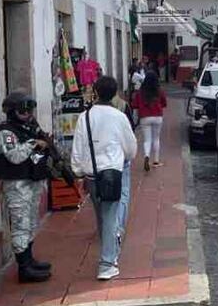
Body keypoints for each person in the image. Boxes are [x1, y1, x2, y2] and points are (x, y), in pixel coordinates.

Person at [71, 76, 137, 281]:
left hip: (92, 174)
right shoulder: (119, 117)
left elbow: (78, 146)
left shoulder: (85, 117)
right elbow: (131, 147)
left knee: (101, 216)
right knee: (110, 216)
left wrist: (78, 172)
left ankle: (110, 249)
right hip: (112, 172)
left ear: (96, 92)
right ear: (115, 92)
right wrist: (124, 158)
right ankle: (107, 263)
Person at [0, 92, 52, 283]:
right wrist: (34, 143)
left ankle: (30, 260)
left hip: (31, 181)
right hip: (17, 184)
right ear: (12, 112)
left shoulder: (28, 127)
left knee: (31, 222)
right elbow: (14, 157)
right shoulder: (5, 132)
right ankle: (24, 269)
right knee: (20, 224)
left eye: (29, 110)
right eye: (23, 111)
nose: (28, 114)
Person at [132, 71, 167, 171]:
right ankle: (156, 160)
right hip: (157, 117)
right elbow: (164, 104)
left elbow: (135, 106)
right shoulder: (159, 91)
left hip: (144, 117)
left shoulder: (140, 92)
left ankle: (146, 156)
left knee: (147, 140)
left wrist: (135, 119)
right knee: (156, 138)